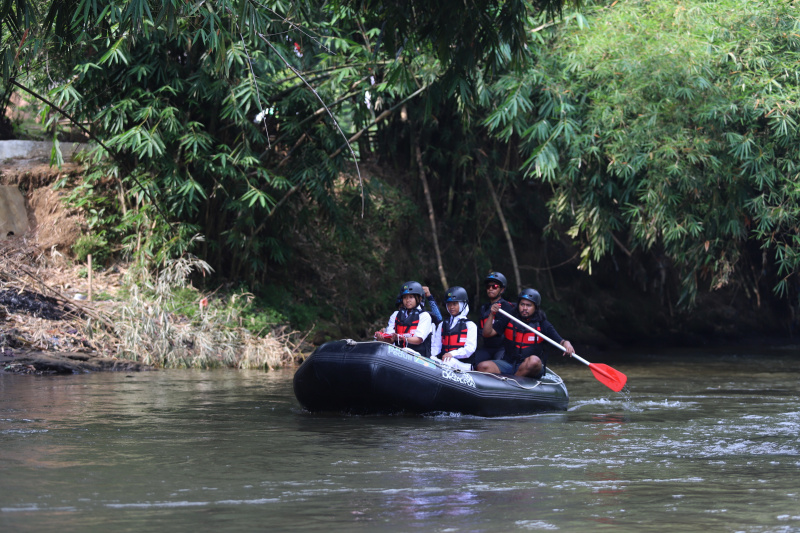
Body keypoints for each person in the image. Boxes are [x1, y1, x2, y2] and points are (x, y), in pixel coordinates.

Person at [476, 288, 575, 379]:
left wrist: (566, 343)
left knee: (534, 361)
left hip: (530, 366)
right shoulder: (509, 317)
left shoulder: (542, 323)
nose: (524, 308)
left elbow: (560, 341)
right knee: (482, 366)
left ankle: (510, 384)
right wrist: (492, 314)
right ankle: (513, 381)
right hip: (509, 363)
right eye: (522, 304)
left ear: (535, 307)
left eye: (528, 305)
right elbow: (487, 333)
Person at [376, 281, 433, 357]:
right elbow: (391, 339)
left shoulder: (424, 316)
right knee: (382, 348)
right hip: (398, 353)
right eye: (405, 297)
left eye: (411, 297)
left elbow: (418, 340)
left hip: (419, 357)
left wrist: (402, 337)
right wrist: (382, 339)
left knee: (406, 350)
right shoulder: (396, 314)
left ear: (419, 298)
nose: (407, 300)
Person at [471, 272, 515, 366]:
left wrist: (492, 314)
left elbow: (489, 333)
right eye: (488, 286)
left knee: (497, 366)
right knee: (472, 361)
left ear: (502, 290)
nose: (490, 289)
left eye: (494, 286)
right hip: (487, 348)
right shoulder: (484, 308)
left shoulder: (507, 308)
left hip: (502, 348)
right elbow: (479, 332)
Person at [430, 286, 477, 371]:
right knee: (432, 359)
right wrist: (430, 358)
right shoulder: (442, 324)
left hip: (463, 365)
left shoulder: (470, 325)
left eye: (455, 304)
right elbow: (436, 346)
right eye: (449, 304)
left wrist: (452, 354)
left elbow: (470, 349)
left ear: (462, 304)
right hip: (445, 362)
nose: (451, 307)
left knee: (449, 361)